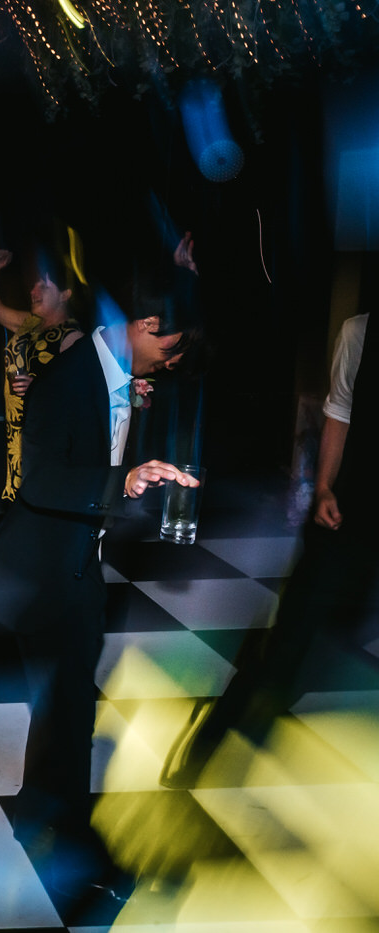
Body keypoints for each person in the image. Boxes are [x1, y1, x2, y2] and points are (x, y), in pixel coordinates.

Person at [0, 292, 200, 907]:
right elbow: (43, 479)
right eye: (170, 344)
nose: (173, 359)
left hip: (76, 564)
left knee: (65, 705)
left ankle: (35, 808)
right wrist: (122, 479)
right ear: (146, 324)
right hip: (48, 570)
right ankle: (76, 849)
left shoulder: (116, 374)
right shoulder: (67, 379)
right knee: (70, 712)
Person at [161, 309, 378, 787]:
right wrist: (323, 487)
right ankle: (206, 748)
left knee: (335, 633)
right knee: (290, 641)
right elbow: (339, 411)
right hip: (351, 513)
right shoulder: (360, 331)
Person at [0, 247, 84, 500]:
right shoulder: (30, 324)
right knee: (19, 496)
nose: (33, 292)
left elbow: (77, 394)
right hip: (17, 429)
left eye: (44, 287)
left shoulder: (72, 336)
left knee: (39, 493)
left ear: (65, 294)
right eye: (34, 286)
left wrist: (37, 385)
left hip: (43, 433)